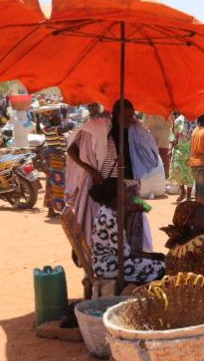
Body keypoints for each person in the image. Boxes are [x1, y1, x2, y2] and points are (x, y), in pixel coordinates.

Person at [66, 99, 160, 249]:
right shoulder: (100, 130)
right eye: (125, 116)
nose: (129, 119)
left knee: (134, 230)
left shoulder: (136, 132)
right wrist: (92, 171)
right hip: (109, 192)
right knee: (111, 234)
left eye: (131, 115)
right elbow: (71, 150)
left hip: (131, 188)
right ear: (115, 115)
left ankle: (130, 265)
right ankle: (115, 266)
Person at [89, 177, 165, 283]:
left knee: (157, 261)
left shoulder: (106, 210)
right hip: (108, 266)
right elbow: (123, 253)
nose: (127, 196)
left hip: (106, 261)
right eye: (125, 193)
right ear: (117, 197)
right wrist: (152, 256)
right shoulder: (111, 218)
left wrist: (151, 256)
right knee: (162, 267)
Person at [36, 106, 71, 217]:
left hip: (50, 160)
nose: (59, 119)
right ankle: (60, 208)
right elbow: (66, 128)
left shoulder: (47, 129)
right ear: (53, 119)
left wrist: (37, 118)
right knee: (60, 184)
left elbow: (37, 130)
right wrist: (67, 119)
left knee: (50, 184)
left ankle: (51, 210)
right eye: (57, 117)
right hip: (58, 160)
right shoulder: (56, 129)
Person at [169, 112, 196, 202]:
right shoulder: (178, 121)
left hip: (191, 151)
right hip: (179, 151)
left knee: (190, 174)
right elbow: (173, 134)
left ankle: (188, 196)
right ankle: (182, 191)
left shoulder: (195, 120)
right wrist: (170, 147)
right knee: (176, 171)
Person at [188, 113, 204, 205]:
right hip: (202, 164)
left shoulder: (195, 131)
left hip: (193, 163)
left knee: (198, 189)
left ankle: (197, 211)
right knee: (203, 190)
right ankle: (202, 212)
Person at [143, 114, 172, 179]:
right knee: (164, 156)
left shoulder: (147, 108)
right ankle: (165, 177)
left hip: (152, 134)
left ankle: (153, 177)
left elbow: (144, 124)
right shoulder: (166, 107)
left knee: (152, 157)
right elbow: (171, 123)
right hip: (164, 134)